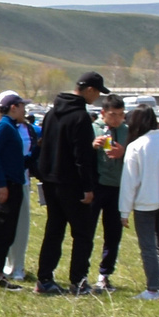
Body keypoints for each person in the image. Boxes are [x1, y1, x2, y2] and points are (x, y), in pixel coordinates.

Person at [31, 74, 105, 296]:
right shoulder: (80, 117)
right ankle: (79, 281)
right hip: (72, 183)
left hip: (51, 180)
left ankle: (44, 279)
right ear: (89, 90)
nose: (99, 96)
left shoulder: (52, 113)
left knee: (53, 231)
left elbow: (44, 146)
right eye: (98, 91)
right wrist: (88, 186)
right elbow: (81, 155)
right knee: (82, 233)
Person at [119, 103, 159, 299]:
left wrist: (124, 211)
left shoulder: (136, 146)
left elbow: (130, 181)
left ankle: (153, 288)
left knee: (148, 247)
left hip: (145, 203)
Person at [0, 91, 33, 287]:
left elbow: (13, 159)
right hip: (3, 184)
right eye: (22, 106)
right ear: (13, 108)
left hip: (14, 181)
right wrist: (1, 184)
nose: (24, 110)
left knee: (8, 231)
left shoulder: (12, 127)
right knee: (1, 229)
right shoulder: (2, 127)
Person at [90, 93, 128, 292]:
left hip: (117, 188)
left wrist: (125, 153)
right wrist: (92, 146)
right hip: (96, 186)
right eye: (113, 115)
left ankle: (104, 274)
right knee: (87, 230)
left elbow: (136, 159)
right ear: (103, 113)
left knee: (113, 233)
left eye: (121, 115)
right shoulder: (92, 129)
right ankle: (80, 272)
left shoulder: (127, 132)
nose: (117, 119)